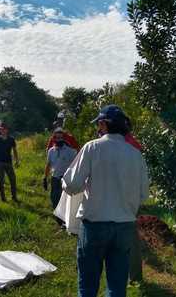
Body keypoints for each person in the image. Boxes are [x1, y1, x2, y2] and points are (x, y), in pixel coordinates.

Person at [62, 105, 149, 297]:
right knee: (117, 287)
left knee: (88, 285)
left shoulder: (92, 147)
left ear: (103, 123)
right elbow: (143, 195)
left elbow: (72, 185)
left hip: (95, 225)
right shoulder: (136, 155)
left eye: (98, 124)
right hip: (125, 226)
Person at [44, 127, 77, 223]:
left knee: (65, 200)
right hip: (54, 178)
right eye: (57, 138)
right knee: (54, 198)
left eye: (61, 137)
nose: (59, 139)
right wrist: (45, 178)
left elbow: (75, 165)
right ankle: (58, 219)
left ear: (64, 138)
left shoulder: (70, 151)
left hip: (65, 179)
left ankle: (66, 220)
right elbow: (48, 165)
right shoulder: (51, 151)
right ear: (54, 138)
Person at [0, 123, 19, 202]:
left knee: (13, 180)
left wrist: (17, 160)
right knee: (0, 181)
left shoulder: (11, 139)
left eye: (4, 129)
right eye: (1, 129)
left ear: (7, 130)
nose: (2, 130)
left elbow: (14, 150)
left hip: (8, 162)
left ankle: (14, 197)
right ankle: (3, 197)